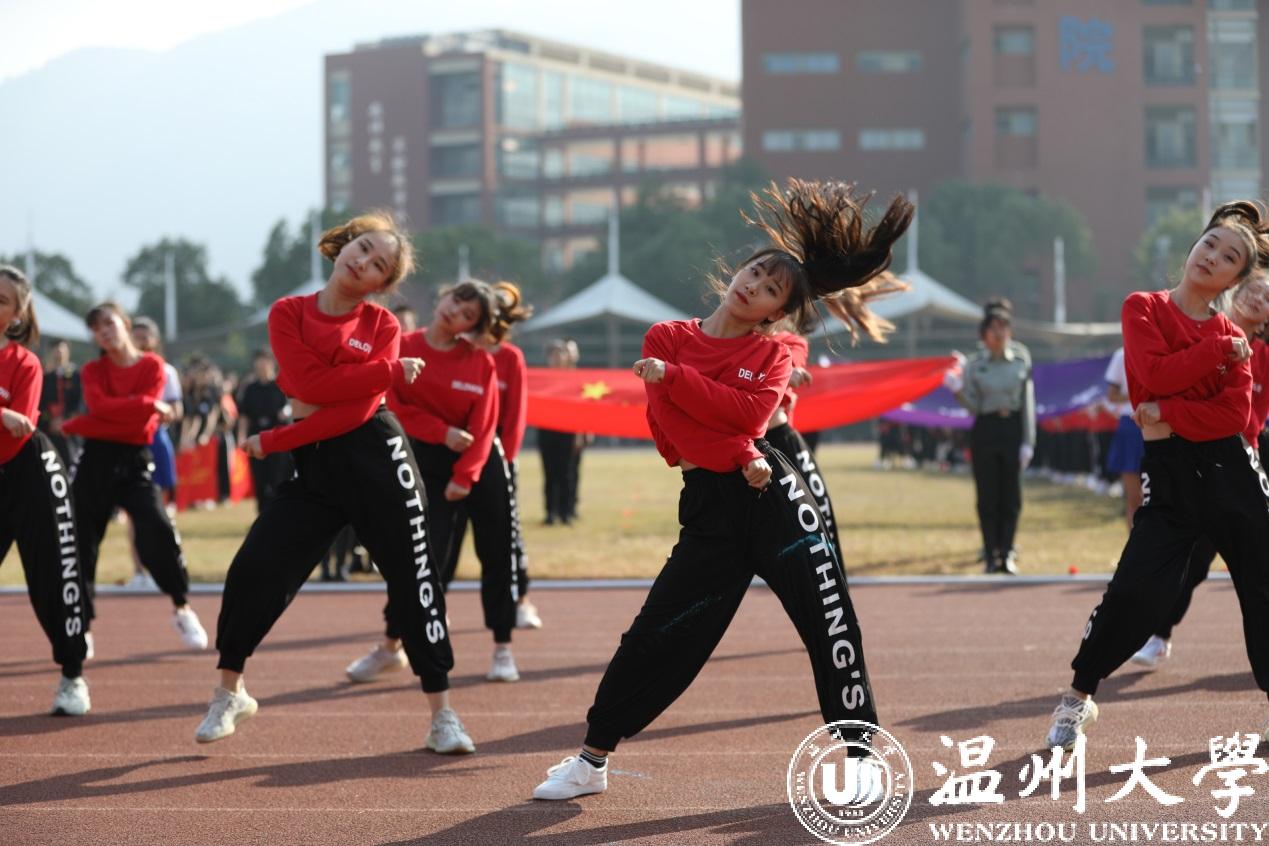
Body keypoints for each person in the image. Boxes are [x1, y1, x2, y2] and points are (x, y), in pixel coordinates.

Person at [532, 178, 913, 801]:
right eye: (755, 272)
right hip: (713, 502)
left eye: (771, 290)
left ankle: (862, 755)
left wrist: (691, 394)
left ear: (776, 313)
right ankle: (591, 761)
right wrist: (735, 448)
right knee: (658, 633)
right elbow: (678, 434)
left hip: (776, 502)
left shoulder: (773, 356)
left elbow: (749, 418)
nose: (754, 286)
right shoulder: (666, 338)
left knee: (830, 621)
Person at [194, 212, 473, 754]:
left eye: (379, 264)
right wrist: (386, 373)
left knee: (414, 579)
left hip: (378, 457)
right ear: (344, 245)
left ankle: (443, 714)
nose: (364, 262)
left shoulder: (383, 326)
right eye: (362, 248)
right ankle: (229, 692)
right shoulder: (289, 311)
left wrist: (282, 434)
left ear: (382, 284)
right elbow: (306, 382)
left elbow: (350, 411)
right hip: (316, 465)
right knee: (255, 567)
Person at [1044, 201, 1269, 751]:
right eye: (1210, 243)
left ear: (1235, 279)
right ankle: (1077, 697)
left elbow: (1232, 417)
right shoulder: (1144, 308)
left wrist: (1166, 412)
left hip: (1232, 473)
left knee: (1265, 587)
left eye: (1229, 257)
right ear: (1195, 245)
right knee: (1134, 591)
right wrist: (1214, 355)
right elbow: (1153, 373)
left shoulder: (1237, 341)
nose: (1212, 257)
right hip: (1170, 477)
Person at [344, 278, 521, 684]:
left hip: (479, 464)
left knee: (497, 552)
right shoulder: (401, 345)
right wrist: (442, 432)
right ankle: (391, 646)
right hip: (426, 460)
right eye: (456, 300)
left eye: (468, 314)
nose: (455, 312)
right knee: (420, 558)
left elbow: (485, 426)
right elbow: (393, 406)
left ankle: (503, 648)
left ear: (472, 327)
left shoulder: (480, 361)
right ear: (443, 295)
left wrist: (466, 475)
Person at [1129, 262, 1269, 671]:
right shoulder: (1204, 333)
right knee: (1189, 558)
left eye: (1268, 298)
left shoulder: (1262, 357)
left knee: (1255, 567)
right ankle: (1159, 635)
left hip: (1239, 467)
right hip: (1191, 460)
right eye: (1255, 289)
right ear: (1235, 289)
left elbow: (1250, 418)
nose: (1258, 297)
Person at [62, 302, 208, 656]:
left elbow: (138, 428)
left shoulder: (153, 366)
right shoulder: (93, 370)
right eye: (96, 329)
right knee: (82, 541)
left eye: (109, 323)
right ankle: (82, 624)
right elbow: (101, 407)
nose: (104, 332)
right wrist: (146, 405)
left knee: (157, 525)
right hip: (95, 460)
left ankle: (182, 607)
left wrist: (89, 423)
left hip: (135, 459)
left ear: (124, 324)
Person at [0, 266, 91, 715]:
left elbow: (19, 429)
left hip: (31, 473)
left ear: (16, 315)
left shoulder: (25, 363)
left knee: (54, 576)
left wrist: (7, 417)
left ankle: (73, 676)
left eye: (2, 300)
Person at [453, 281, 541, 629]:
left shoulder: (510, 357)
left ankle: (520, 600)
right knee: (445, 534)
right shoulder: (460, 348)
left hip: (496, 459)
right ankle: (432, 605)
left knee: (507, 535)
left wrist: (506, 461)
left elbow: (515, 416)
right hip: (454, 456)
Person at [944, 299, 1035, 575]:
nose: (999, 333)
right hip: (985, 429)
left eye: (1003, 327)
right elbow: (974, 406)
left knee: (1011, 495)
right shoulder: (975, 365)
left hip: (1012, 428)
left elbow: (1027, 402)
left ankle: (1007, 553)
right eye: (993, 328)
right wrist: (958, 391)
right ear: (984, 334)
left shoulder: (1021, 358)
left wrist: (1028, 442)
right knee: (987, 496)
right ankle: (990, 553)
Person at [125, 316, 184, 590]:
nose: (140, 341)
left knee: (161, 510)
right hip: (130, 442)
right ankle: (139, 571)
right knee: (133, 512)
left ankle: (167, 568)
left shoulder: (167, 371)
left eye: (145, 336)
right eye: (136, 336)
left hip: (156, 441)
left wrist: (157, 412)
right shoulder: (124, 369)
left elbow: (177, 409)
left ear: (155, 340)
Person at [235, 349, 292, 513]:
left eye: (265, 360)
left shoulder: (281, 384)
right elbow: (244, 415)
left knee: (278, 478)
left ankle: (279, 513)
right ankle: (262, 514)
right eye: (258, 361)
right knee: (259, 478)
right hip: (256, 436)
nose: (261, 364)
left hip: (277, 437)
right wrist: (241, 436)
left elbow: (290, 406)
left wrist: (286, 412)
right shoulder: (250, 388)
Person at [1103, 346, 1143, 530]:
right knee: (1135, 498)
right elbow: (1111, 395)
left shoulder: (1165, 347)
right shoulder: (1122, 355)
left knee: (1159, 498)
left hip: (1161, 423)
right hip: (1131, 427)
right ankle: (1136, 544)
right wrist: (1140, 394)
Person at [537, 339, 576, 525]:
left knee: (565, 472)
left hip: (567, 431)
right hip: (546, 431)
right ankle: (550, 512)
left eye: (560, 354)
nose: (557, 358)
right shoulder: (541, 379)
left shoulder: (572, 379)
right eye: (553, 355)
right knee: (549, 473)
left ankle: (565, 512)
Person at [37, 339, 80, 466]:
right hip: (48, 428)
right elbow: (41, 402)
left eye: (62, 350)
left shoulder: (76, 376)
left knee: (70, 462)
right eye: (56, 350)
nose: (59, 353)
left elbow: (79, 401)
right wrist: (50, 421)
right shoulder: (45, 377)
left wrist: (65, 419)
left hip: (69, 429)